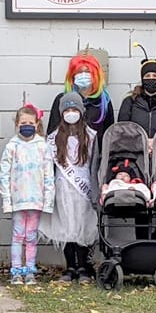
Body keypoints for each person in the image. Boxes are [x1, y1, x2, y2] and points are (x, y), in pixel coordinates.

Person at [39, 92, 100, 284]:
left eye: (75, 109)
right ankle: (69, 266)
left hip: (83, 189)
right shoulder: (54, 138)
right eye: (67, 110)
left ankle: (83, 267)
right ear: (61, 112)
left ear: (81, 111)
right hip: (63, 188)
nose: (71, 113)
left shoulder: (91, 136)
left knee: (82, 227)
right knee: (66, 227)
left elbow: (94, 165)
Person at [0, 104, 55, 286]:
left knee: (31, 236)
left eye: (30, 122)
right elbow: (4, 175)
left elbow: (49, 175)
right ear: (17, 124)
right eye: (23, 122)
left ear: (37, 124)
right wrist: (7, 200)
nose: (27, 125)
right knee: (17, 235)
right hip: (18, 201)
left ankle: (30, 270)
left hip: (36, 201)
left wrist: (48, 201)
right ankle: (16, 270)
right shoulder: (11, 147)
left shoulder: (43, 147)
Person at [47, 52, 115, 150]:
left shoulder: (103, 101)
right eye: (79, 72)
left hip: (95, 155)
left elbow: (109, 132)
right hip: (66, 156)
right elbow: (52, 131)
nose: (83, 75)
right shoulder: (62, 99)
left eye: (88, 71)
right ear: (72, 75)